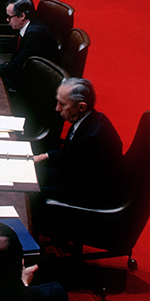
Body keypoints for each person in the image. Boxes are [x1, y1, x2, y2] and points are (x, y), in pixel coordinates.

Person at [32, 77, 125, 208]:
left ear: (81, 107)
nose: (57, 108)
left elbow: (79, 191)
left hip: (90, 196)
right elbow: (72, 152)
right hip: (74, 175)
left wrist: (33, 191)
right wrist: (45, 156)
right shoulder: (90, 118)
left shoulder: (92, 139)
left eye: (62, 104)